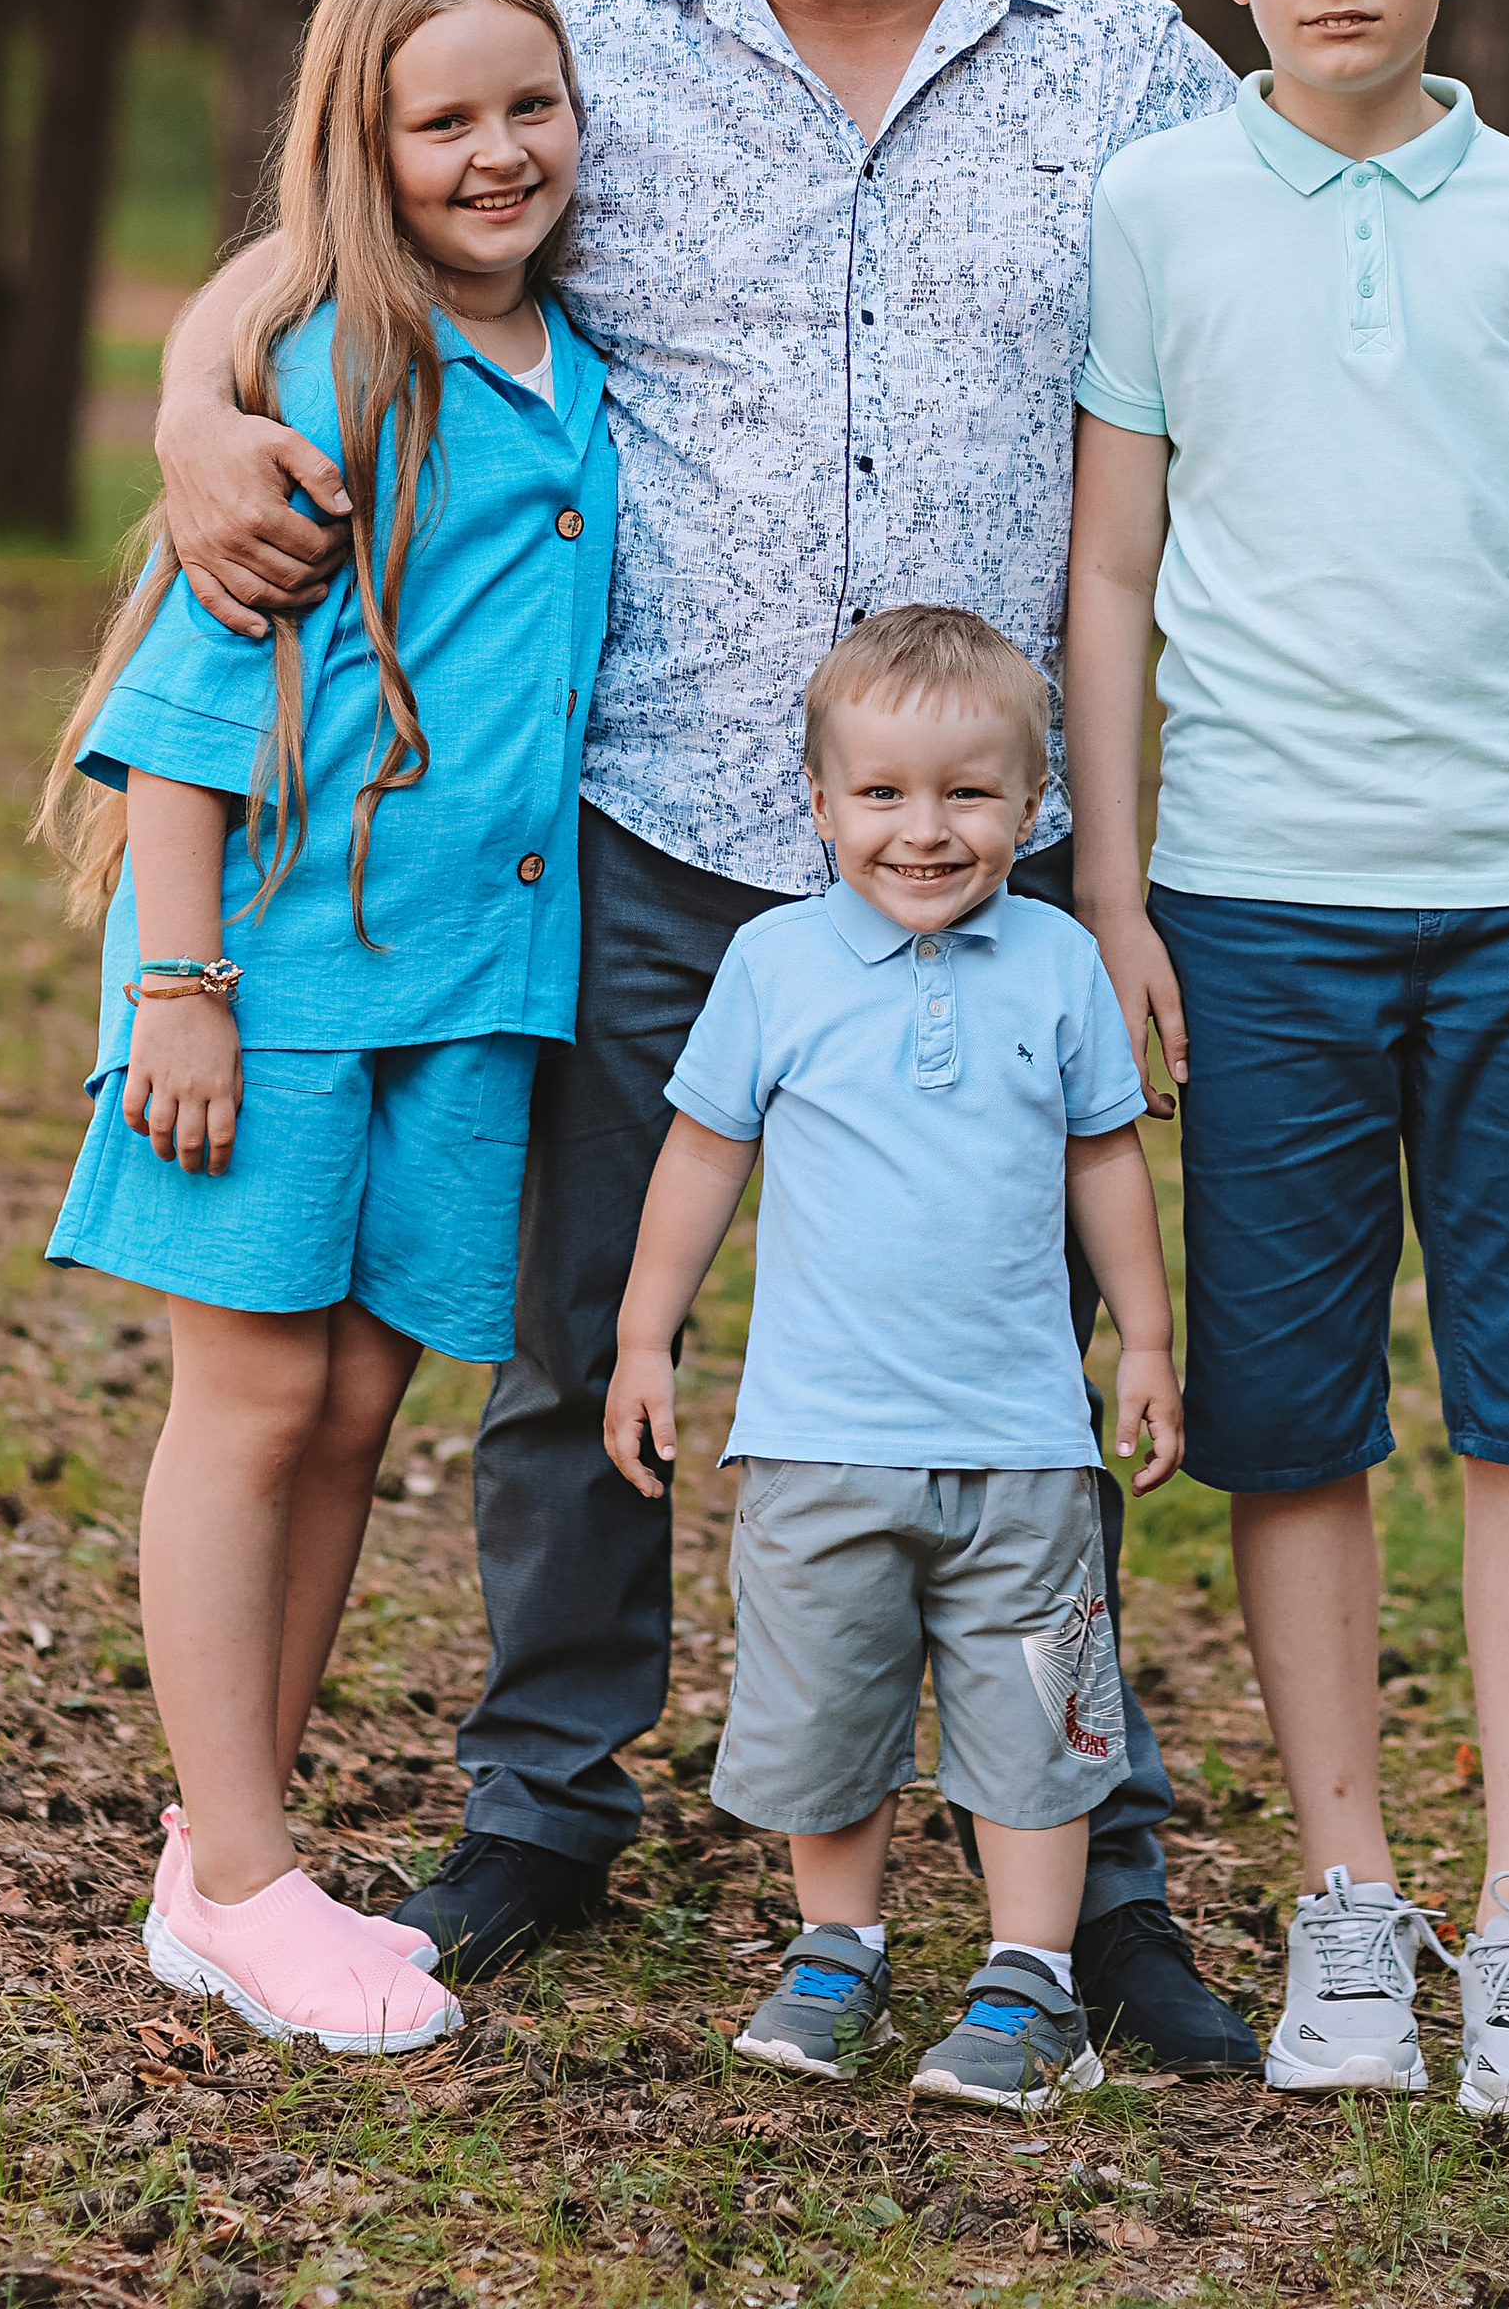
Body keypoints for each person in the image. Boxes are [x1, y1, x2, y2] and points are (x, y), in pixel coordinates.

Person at [148, 0, 1509, 2062]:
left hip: (995, 857)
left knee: (1024, 1372)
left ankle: (1084, 1864)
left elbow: (1348, 180)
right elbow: (349, 201)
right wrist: (194, 403)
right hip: (656, 815)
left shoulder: (1113, 64)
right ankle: (549, 1794)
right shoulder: (596, 51)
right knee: (580, 1347)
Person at [1066, 0, 1509, 2127]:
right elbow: (1109, 571)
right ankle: (1351, 1901)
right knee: (1290, 1419)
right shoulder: (1155, 209)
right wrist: (1119, 895)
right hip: (1253, 899)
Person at [33, 0, 615, 2057]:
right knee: (253, 1401)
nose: (493, 151)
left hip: (470, 993)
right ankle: (255, 1878)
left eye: (525, 106)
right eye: (440, 119)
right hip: (267, 978)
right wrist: (175, 979)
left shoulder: (582, 362)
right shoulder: (328, 378)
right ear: (356, 149)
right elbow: (196, 698)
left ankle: (221, 1849)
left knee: (361, 1408)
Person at [604, 608, 1182, 2112]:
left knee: (1042, 1716)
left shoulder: (1058, 963)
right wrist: (644, 1334)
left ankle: (1030, 1979)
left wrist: (1145, 1340)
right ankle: (833, 1949)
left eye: (969, 795)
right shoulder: (774, 965)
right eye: (883, 795)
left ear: (1034, 802)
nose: (925, 833)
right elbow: (700, 1155)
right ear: (818, 802)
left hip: (1025, 1447)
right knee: (828, 1705)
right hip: (817, 1438)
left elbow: (1109, 1162)